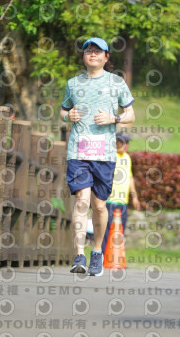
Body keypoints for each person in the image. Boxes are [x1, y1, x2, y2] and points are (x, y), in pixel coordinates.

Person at [60, 37, 135, 276]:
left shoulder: (116, 82)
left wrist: (114, 119)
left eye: (97, 51)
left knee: (99, 206)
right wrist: (67, 116)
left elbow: (131, 113)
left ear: (106, 57)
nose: (92, 54)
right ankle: (79, 255)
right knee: (82, 201)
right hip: (78, 151)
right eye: (88, 51)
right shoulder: (73, 83)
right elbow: (63, 109)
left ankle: (97, 252)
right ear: (83, 56)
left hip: (104, 153)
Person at [101, 131, 141, 254]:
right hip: (110, 200)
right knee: (106, 230)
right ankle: (101, 256)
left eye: (127, 142)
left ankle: (116, 257)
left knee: (120, 230)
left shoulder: (127, 158)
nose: (125, 145)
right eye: (122, 142)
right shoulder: (110, 156)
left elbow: (130, 177)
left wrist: (134, 197)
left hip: (123, 201)